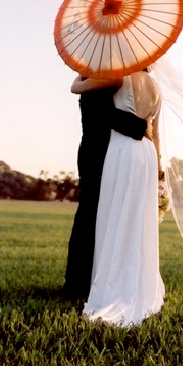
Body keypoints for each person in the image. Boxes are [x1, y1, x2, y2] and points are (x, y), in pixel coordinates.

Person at [74, 66, 165, 327]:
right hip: (147, 155)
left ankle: (114, 283)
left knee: (115, 214)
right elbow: (155, 134)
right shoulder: (157, 88)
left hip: (123, 150)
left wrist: (80, 75)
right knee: (137, 219)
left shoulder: (117, 77)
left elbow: (76, 88)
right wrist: (157, 172)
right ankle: (138, 280)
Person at [62, 76, 148, 301]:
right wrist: (141, 125)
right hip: (98, 156)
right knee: (89, 219)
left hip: (100, 153)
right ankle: (78, 285)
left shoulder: (92, 77)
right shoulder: (103, 79)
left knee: (95, 219)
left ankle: (84, 282)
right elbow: (103, 114)